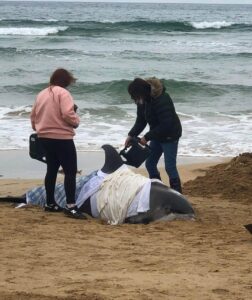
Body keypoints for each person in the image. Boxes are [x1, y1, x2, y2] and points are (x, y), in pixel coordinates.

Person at [30, 68, 85, 219]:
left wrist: (39, 127)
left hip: (44, 137)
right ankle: (71, 206)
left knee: (52, 169)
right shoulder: (64, 93)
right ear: (65, 81)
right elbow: (67, 114)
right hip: (62, 137)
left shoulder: (41, 93)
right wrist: (76, 121)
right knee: (70, 171)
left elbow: (33, 116)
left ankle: (50, 203)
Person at [125, 77, 183, 193]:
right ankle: (159, 191)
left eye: (135, 96)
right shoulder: (142, 101)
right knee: (150, 163)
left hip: (170, 135)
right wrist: (131, 135)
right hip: (156, 135)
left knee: (170, 167)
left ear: (142, 93)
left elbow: (166, 124)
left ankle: (178, 195)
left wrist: (146, 137)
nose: (134, 99)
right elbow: (141, 121)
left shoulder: (162, 99)